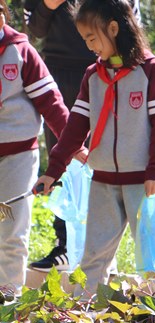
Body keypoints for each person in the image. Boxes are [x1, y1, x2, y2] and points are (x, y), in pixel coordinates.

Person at [35, 0, 155, 296]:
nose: (89, 46)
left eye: (91, 38)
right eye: (85, 39)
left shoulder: (151, 70)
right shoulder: (93, 75)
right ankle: (83, 316)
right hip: (103, 182)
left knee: (151, 256)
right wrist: (53, 171)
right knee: (94, 255)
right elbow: (75, 128)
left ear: (113, 28)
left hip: (142, 182)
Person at [24, 0, 140, 272]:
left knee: (107, 157)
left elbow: (132, 26)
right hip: (59, 71)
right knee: (65, 155)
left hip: (109, 68)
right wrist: (48, 4)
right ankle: (65, 244)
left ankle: (108, 248)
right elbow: (35, 29)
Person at [0, 0, 69, 296]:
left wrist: (71, 143)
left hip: (18, 153)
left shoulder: (21, 50)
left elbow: (51, 102)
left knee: (12, 228)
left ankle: (9, 294)